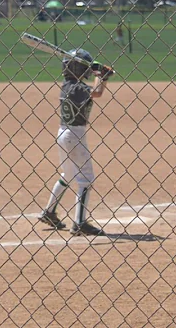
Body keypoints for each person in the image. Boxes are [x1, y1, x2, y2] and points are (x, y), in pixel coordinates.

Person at [37, 49, 114, 236]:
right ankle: (79, 222)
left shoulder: (67, 85)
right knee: (86, 179)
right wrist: (101, 75)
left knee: (68, 174)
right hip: (75, 135)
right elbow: (97, 92)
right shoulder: (76, 88)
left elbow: (95, 90)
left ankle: (49, 211)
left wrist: (100, 74)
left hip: (63, 133)